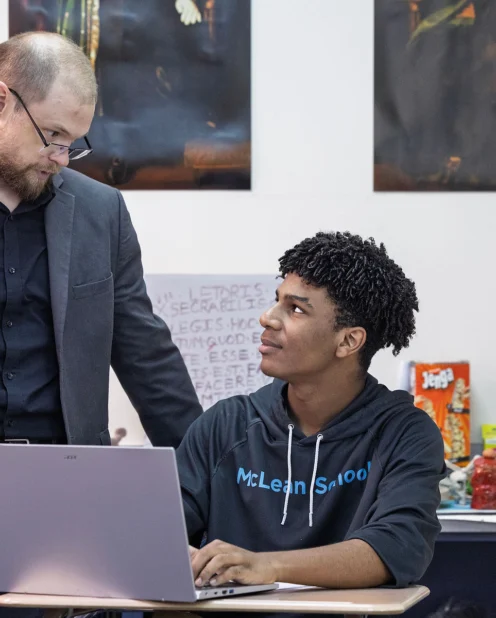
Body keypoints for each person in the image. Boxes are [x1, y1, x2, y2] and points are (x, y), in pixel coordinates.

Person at [178, 231, 446, 592]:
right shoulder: (225, 425)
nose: (267, 318)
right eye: (276, 301)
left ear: (349, 341)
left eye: (296, 309)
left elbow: (398, 547)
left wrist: (266, 565)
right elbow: (156, 531)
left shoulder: (405, 433)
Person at [0, 32, 202, 448]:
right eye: (51, 133)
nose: (60, 158)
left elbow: (146, 356)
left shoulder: (100, 211)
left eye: (72, 143)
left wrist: (210, 472)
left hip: (64, 472)